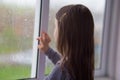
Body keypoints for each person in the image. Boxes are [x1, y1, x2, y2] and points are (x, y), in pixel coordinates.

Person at [37, 4, 94, 80]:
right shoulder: (85, 65)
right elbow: (66, 65)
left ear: (64, 35)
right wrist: (48, 50)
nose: (54, 31)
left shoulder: (60, 71)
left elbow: (62, 69)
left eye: (55, 27)